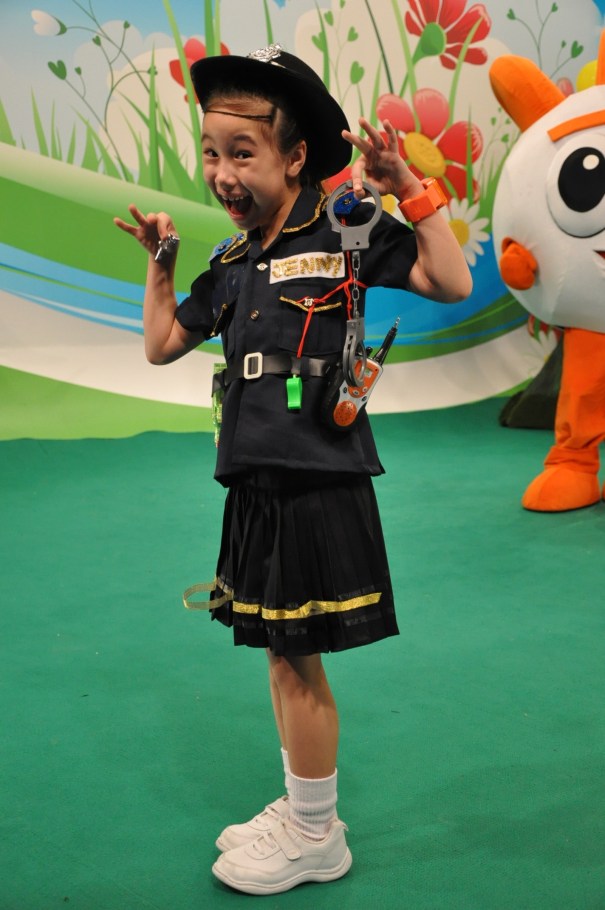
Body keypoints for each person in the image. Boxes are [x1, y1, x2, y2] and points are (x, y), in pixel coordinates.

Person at [114, 43, 471, 896]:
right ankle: (303, 808)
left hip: (317, 479)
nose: (221, 173)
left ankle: (315, 835)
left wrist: (408, 191)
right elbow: (161, 344)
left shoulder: (347, 229)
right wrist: (162, 264)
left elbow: (451, 280)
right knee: (279, 652)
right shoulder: (230, 265)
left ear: (295, 155)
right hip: (254, 481)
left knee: (296, 657)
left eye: (242, 153)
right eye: (211, 152)